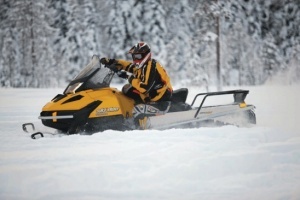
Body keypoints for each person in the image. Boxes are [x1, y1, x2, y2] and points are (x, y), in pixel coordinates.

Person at [100, 42, 173, 104]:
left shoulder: (151, 66)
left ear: (146, 55)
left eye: (138, 56)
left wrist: (128, 77)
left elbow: (144, 88)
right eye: (134, 56)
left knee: (129, 90)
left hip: (161, 95)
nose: (135, 59)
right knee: (127, 89)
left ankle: (139, 116)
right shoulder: (144, 65)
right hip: (153, 93)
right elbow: (129, 66)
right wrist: (112, 62)